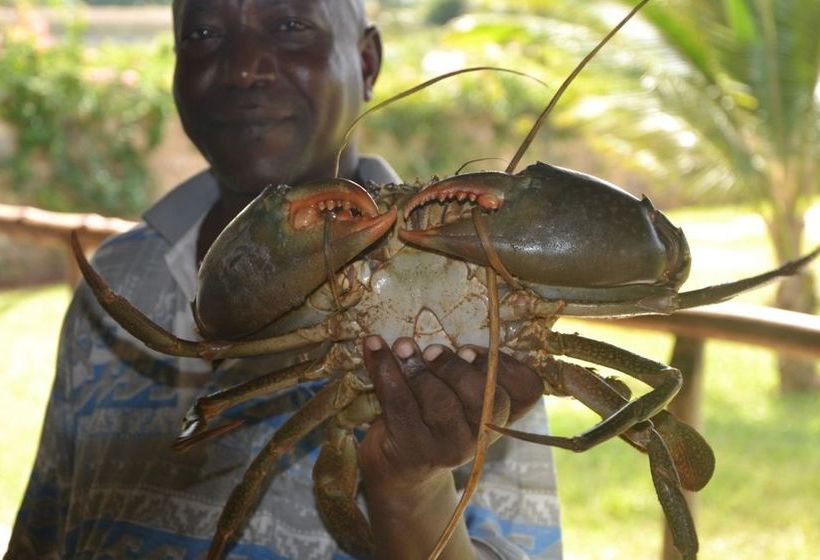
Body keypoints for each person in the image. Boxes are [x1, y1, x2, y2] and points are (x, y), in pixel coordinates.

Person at [6, 1, 562, 558]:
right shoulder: (115, 283)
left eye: (290, 26)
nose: (244, 67)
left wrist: (410, 492)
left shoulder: (479, 301)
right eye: (202, 33)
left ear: (367, 62)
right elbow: (43, 531)